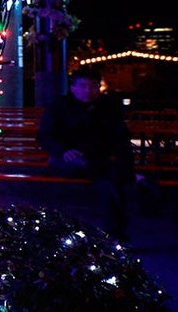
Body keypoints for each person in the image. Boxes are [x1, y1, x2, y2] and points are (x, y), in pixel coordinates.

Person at [39, 67, 134, 240]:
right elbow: (46, 136)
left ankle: (115, 233)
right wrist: (64, 151)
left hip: (97, 157)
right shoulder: (59, 106)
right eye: (83, 86)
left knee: (109, 182)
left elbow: (120, 136)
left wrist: (97, 151)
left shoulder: (109, 107)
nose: (88, 91)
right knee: (109, 178)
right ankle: (115, 233)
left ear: (99, 87)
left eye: (93, 86)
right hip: (66, 158)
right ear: (73, 87)